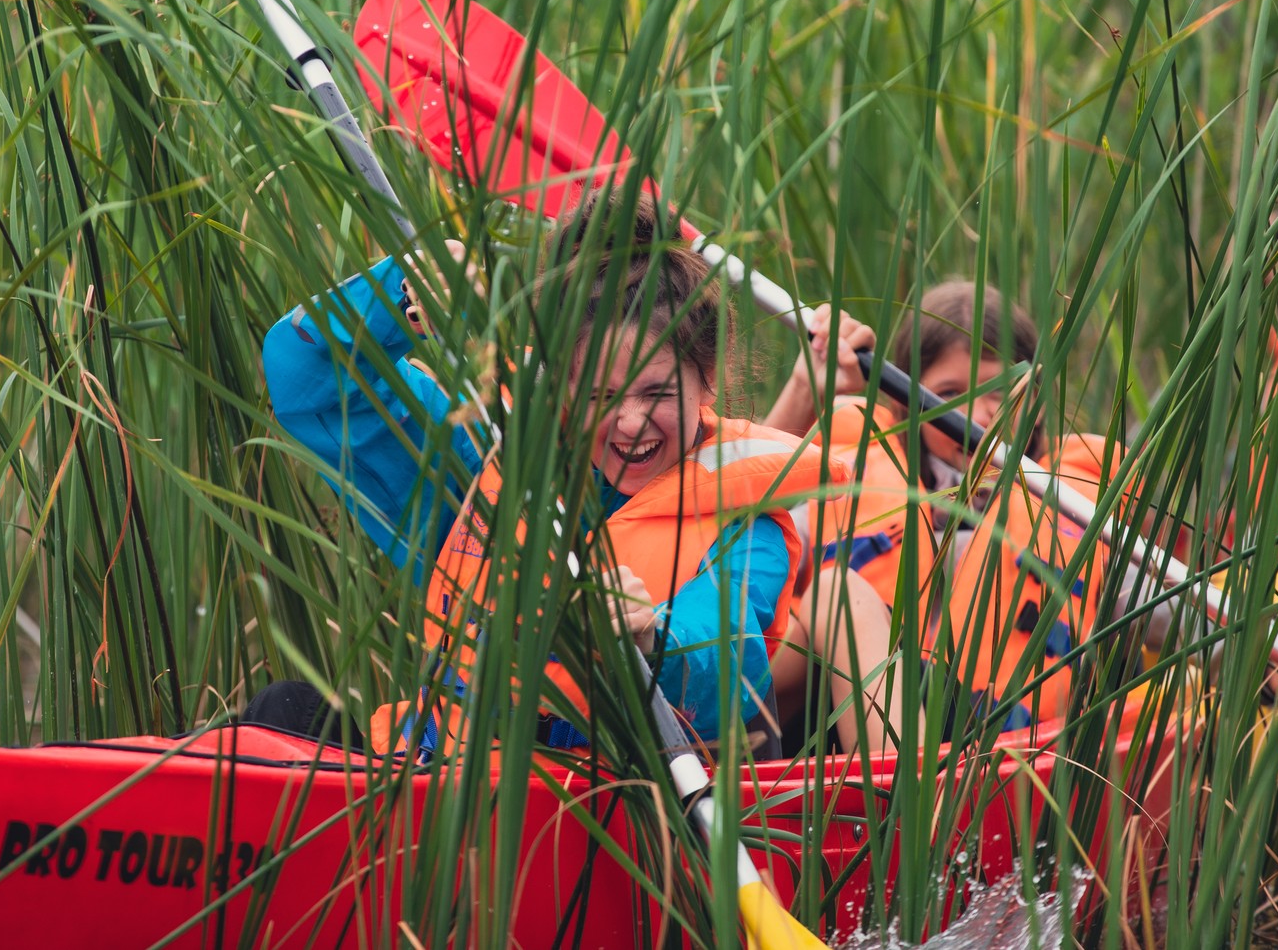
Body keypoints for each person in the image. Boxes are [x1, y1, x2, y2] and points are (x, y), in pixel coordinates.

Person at [260, 189, 895, 755]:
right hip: (435, 768)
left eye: (655, 392)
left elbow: (726, 660)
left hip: (605, 800)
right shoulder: (487, 446)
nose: (628, 423)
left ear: (706, 379)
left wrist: (653, 639)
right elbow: (303, 378)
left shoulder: (746, 524)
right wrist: (396, 296)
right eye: (595, 397)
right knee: (280, 712)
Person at [763, 281, 1116, 729]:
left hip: (993, 731)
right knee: (836, 595)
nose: (977, 416)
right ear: (905, 402)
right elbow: (730, 529)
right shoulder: (844, 477)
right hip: (845, 717)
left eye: (1000, 391)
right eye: (948, 395)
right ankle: (899, 787)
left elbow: (1166, 615)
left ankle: (905, 789)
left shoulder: (1075, 507)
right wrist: (802, 390)